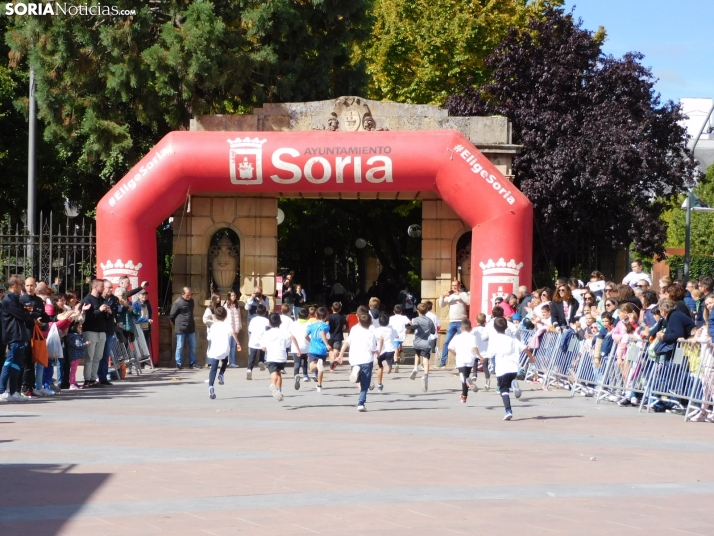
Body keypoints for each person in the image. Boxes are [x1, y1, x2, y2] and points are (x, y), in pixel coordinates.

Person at [0, 276, 41, 402]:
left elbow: (24, 312)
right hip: (13, 335)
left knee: (17, 364)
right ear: (14, 285)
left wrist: (35, 314)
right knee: (9, 362)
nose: (23, 287)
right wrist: (33, 315)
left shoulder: (16, 298)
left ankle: (14, 391)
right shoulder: (8, 300)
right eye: (21, 284)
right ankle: (2, 391)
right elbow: (22, 314)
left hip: (20, 335)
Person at [491, 317, 535, 420]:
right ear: (506, 327)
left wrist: (481, 358)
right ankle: (513, 384)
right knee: (510, 380)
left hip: (502, 368)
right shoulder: (513, 338)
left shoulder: (495, 339)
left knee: (503, 390)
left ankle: (508, 411)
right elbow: (525, 348)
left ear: (494, 327)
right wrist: (531, 358)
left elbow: (490, 353)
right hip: (514, 368)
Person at [338, 312, 378, 412]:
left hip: (354, 359)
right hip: (366, 359)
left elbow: (347, 342)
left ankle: (356, 371)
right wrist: (377, 352)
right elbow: (373, 349)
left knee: (358, 380)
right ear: (371, 323)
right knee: (365, 383)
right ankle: (361, 403)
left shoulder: (354, 329)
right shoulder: (370, 334)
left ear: (359, 321)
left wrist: (341, 354)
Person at [80, 279, 111, 388]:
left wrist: (108, 312)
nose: (103, 288)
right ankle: (87, 380)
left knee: (98, 356)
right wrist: (99, 310)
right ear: (95, 287)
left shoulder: (102, 299)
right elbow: (85, 318)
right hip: (90, 331)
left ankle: (94, 378)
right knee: (90, 357)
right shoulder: (87, 299)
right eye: (102, 286)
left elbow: (105, 317)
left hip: (102, 331)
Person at [262, 312, 295, 402]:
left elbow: (263, 348)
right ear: (280, 322)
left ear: (269, 323)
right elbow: (290, 340)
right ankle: (279, 391)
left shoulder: (267, 333)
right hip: (281, 357)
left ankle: (272, 384)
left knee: (274, 374)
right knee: (279, 373)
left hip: (271, 357)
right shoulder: (284, 332)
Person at [438, 279, 470, 368]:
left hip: (461, 322)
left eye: (455, 285)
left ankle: (462, 361)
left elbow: (468, 302)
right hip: (452, 322)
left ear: (459, 286)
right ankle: (442, 362)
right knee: (446, 342)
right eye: (452, 285)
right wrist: (442, 296)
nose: (454, 287)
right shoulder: (450, 296)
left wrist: (458, 294)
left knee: (462, 343)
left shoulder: (463, 294)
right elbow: (441, 305)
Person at [448, 318, 482, 403]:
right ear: (470, 328)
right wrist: (479, 356)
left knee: (463, 378)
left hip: (461, 359)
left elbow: (450, 348)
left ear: (461, 329)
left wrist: (456, 354)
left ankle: (464, 394)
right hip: (470, 360)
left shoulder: (457, 337)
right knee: (465, 376)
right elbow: (475, 347)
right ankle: (464, 396)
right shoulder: (473, 337)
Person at [206, 306, 234, 400]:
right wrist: (238, 343)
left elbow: (208, 338)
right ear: (225, 315)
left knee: (213, 369)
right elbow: (232, 333)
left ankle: (211, 386)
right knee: (225, 360)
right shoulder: (226, 325)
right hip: (224, 348)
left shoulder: (213, 326)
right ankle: (221, 373)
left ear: (216, 316)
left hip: (215, 350)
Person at [406, 303, 435, 392]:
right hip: (426, 343)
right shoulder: (430, 320)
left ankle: (415, 368)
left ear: (418, 311)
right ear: (427, 311)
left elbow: (414, 327)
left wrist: (408, 326)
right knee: (426, 359)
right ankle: (426, 376)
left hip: (417, 342)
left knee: (417, 354)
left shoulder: (415, 319)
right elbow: (433, 332)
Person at [169, 287, 198, 370]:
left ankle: (192, 362)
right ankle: (178, 363)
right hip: (181, 328)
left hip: (190, 327)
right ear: (182, 294)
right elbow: (172, 315)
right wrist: (177, 323)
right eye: (187, 295)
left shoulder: (191, 301)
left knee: (193, 345)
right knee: (180, 346)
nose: (189, 297)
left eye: (190, 295)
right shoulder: (177, 303)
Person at [306, 306, 331, 392]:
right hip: (322, 350)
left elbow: (306, 335)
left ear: (316, 315)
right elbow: (324, 334)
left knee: (311, 368)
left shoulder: (312, 325)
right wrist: (327, 344)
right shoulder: (326, 326)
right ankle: (319, 385)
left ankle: (317, 365)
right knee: (321, 368)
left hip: (313, 349)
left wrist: (310, 340)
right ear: (326, 316)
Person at [374, 313, 397, 392]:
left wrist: (378, 351)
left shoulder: (377, 330)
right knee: (389, 370)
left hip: (381, 351)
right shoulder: (392, 330)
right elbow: (396, 336)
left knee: (380, 368)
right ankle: (388, 368)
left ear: (379, 322)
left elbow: (379, 339)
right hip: (390, 350)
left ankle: (380, 385)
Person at [246, 304, 269, 380]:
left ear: (256, 311)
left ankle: (249, 369)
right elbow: (268, 330)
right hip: (263, 340)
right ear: (265, 312)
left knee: (252, 356)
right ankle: (261, 361)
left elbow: (250, 330)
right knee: (262, 352)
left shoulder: (253, 320)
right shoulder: (266, 320)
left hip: (254, 339)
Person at [290, 307, 311, 389]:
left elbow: (290, 335)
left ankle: (296, 375)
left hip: (296, 346)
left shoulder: (293, 324)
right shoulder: (309, 324)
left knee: (297, 362)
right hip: (306, 346)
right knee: (304, 360)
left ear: (298, 315)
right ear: (307, 316)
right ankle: (305, 375)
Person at [66, 323, 91, 390]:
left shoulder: (74, 336)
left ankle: (74, 382)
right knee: (73, 370)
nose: (81, 329)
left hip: (74, 355)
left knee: (74, 369)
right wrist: (86, 344)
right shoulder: (75, 336)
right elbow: (78, 345)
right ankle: (72, 384)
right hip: (75, 355)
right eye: (79, 328)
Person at [388, 304, 411, 371]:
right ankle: (401, 352)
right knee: (400, 344)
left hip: (395, 336)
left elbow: (388, 326)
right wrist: (408, 329)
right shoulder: (404, 317)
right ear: (401, 311)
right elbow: (410, 322)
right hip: (402, 335)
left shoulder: (391, 318)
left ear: (393, 311)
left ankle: (396, 363)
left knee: (395, 350)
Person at [223, 290, 242, 368]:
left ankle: (232, 362)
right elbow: (224, 317)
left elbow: (239, 316)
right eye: (232, 295)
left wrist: (239, 325)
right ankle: (225, 361)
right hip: (229, 328)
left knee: (233, 346)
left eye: (234, 295)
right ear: (229, 296)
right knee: (227, 346)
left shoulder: (236, 305)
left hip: (235, 328)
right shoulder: (226, 305)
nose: (234, 297)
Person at [327, 302, 347, 370]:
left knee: (330, 350)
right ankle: (332, 363)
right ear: (340, 309)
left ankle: (331, 363)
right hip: (338, 335)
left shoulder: (329, 317)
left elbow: (326, 325)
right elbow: (344, 327)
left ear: (332, 308)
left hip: (330, 335)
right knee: (336, 350)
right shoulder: (342, 317)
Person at [473, 313, 490, 389]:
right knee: (485, 367)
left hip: (478, 350)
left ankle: (474, 374)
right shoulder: (487, 329)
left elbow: (469, 335)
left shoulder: (475, 329)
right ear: (485, 321)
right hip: (486, 350)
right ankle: (487, 379)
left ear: (476, 321)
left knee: (475, 361)